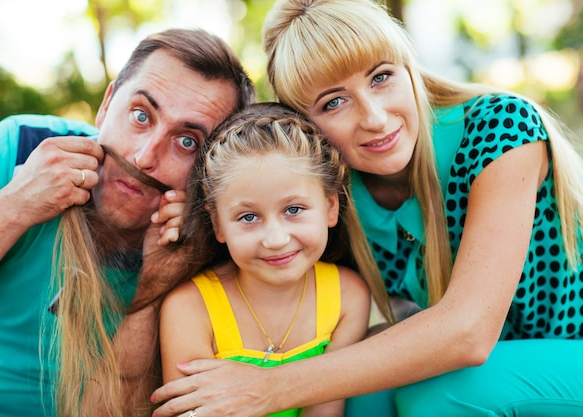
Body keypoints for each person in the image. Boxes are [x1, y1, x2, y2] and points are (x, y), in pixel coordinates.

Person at [149, 1, 583, 416]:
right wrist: (208, 210)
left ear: (408, 68)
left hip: (566, 350)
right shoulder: (336, 189)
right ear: (307, 125)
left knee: (438, 395)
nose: (374, 117)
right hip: (502, 368)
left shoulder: (500, 127)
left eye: (380, 77)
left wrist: (268, 387)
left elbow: (468, 332)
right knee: (364, 397)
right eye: (333, 102)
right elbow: (262, 201)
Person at [0, 28, 254, 417]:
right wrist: (15, 205)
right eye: (140, 115)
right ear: (106, 104)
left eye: (187, 142)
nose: (145, 156)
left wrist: (154, 287)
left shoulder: (205, 238)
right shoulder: (19, 149)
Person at [158, 102, 393, 417]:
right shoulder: (190, 308)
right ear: (218, 225)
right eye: (249, 216)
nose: (276, 239)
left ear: (330, 208)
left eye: (293, 209)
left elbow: (324, 412)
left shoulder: (347, 296)